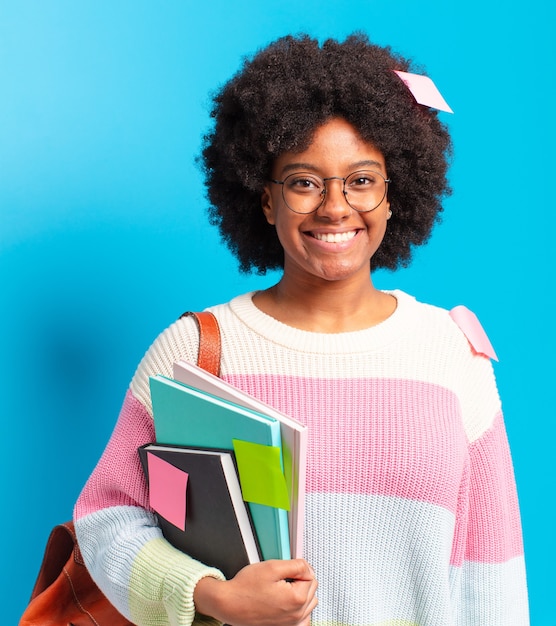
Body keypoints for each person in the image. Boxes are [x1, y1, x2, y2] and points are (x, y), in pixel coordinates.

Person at [74, 33, 529, 625]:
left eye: (362, 180)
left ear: (395, 195)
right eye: (304, 182)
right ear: (265, 200)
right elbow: (109, 517)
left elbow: (490, 569)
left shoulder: (450, 354)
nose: (335, 207)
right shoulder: (193, 351)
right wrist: (209, 594)